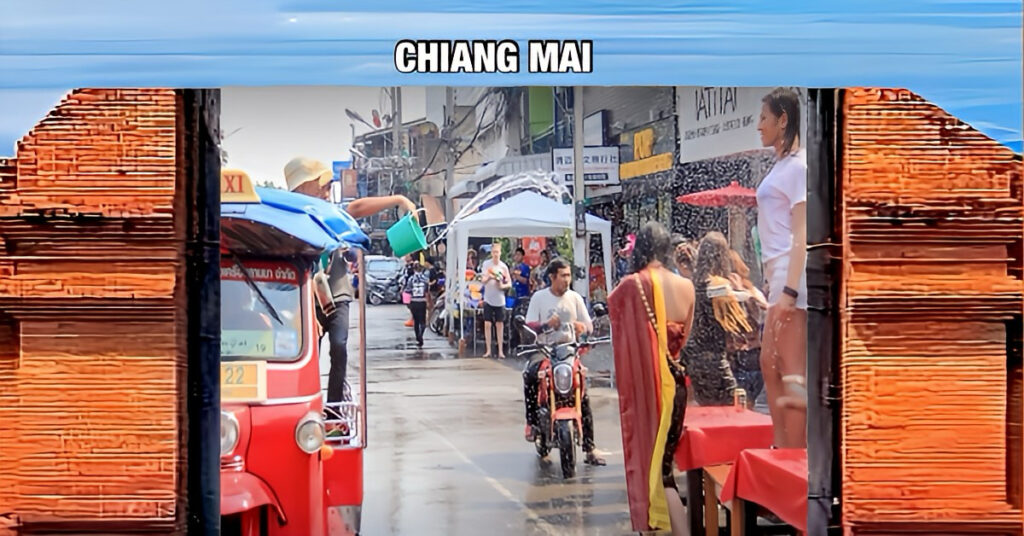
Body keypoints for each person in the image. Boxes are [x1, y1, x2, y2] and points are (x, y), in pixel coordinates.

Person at [285, 156, 417, 403]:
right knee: (304, 355)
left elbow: (355, 209)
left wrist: (399, 200)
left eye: (328, 186)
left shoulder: (332, 214)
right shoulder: (288, 218)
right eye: (322, 185)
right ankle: (303, 405)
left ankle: (334, 407)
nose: (328, 191)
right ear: (302, 188)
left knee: (339, 346)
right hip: (304, 300)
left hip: (337, 294)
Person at [607, 222, 694, 535]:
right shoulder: (687, 286)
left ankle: (653, 528)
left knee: (652, 467)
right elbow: (683, 340)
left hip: (650, 389)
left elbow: (613, 307)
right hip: (677, 386)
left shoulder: (633, 284)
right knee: (664, 467)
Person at [756, 87, 808, 448]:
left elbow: (803, 230)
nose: (759, 126)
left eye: (764, 118)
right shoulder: (781, 166)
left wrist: (790, 289)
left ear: (783, 120)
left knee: (790, 368)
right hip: (778, 273)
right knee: (769, 364)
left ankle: (795, 453)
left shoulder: (799, 167)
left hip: (792, 274)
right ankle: (783, 446)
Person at [522, 258, 606, 466]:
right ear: (552, 277)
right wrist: (545, 325)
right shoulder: (539, 298)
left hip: (569, 351)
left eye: (569, 275)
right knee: (531, 375)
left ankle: (590, 448)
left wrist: (582, 328)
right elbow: (529, 326)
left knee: (582, 392)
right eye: (563, 276)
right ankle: (532, 423)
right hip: (545, 350)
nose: (567, 280)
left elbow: (589, 325)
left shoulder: (575, 298)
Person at [681, 232, 748, 406]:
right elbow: (739, 325)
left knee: (708, 411)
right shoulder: (719, 285)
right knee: (733, 407)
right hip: (715, 362)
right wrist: (740, 291)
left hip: (692, 360)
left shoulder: (690, 284)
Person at [727, 249, 768, 406]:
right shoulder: (754, 291)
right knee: (747, 409)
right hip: (755, 361)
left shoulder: (726, 294)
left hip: (738, 362)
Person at [479, 241, 512, 358]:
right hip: (488, 298)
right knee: (487, 324)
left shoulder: (503, 267)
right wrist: (490, 277)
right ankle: (488, 350)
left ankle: (500, 351)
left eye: (497, 252)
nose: (495, 254)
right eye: (493, 252)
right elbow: (482, 280)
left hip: (500, 299)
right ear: (491, 253)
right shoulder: (486, 265)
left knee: (499, 324)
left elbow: (509, 283)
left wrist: (502, 286)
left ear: (500, 253)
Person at [404, 260, 430, 347]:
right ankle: (421, 335)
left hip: (414, 301)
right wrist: (428, 301)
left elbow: (407, 291)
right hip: (422, 301)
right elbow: (427, 291)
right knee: (423, 321)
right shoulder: (425, 279)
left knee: (416, 321)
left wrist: (407, 303)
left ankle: (417, 337)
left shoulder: (411, 279)